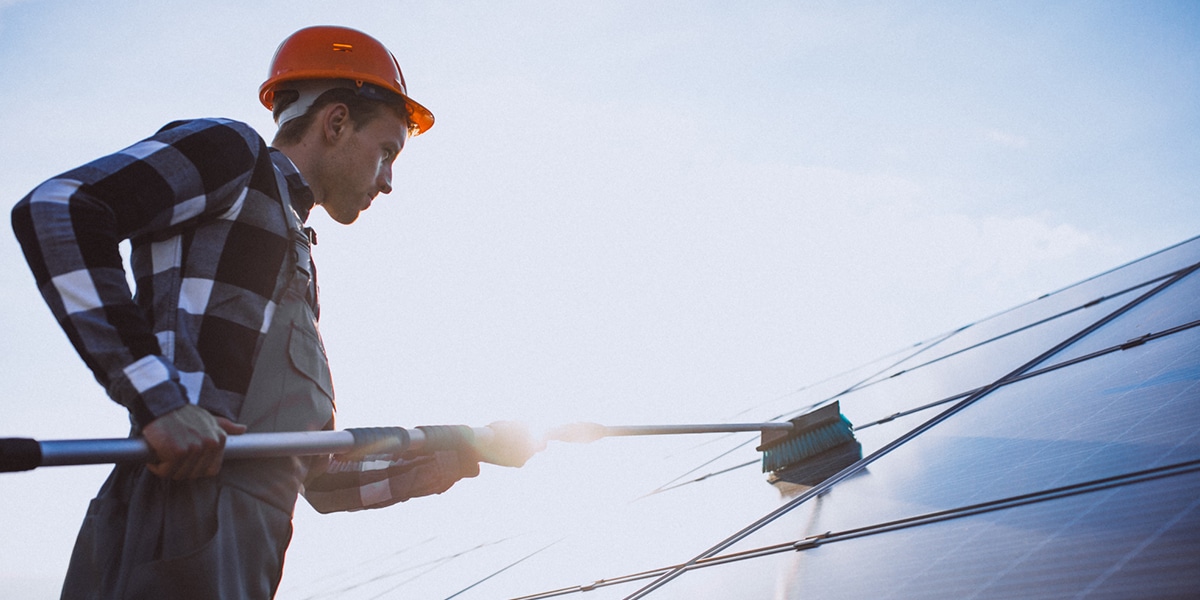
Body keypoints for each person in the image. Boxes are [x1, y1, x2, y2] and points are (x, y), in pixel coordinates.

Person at [11, 25, 539, 599]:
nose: (388, 182)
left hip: (248, 556)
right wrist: (158, 400)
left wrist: (470, 446)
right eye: (387, 152)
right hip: (177, 522)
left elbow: (321, 477)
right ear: (336, 122)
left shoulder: (297, 252)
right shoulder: (232, 153)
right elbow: (59, 208)